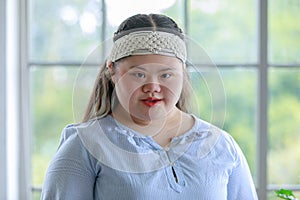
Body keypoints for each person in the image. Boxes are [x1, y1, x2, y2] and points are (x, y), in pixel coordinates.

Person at [41, 13, 258, 200]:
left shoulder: (221, 144)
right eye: (138, 74)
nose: (153, 87)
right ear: (112, 72)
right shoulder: (84, 145)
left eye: (166, 74)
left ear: (183, 73)